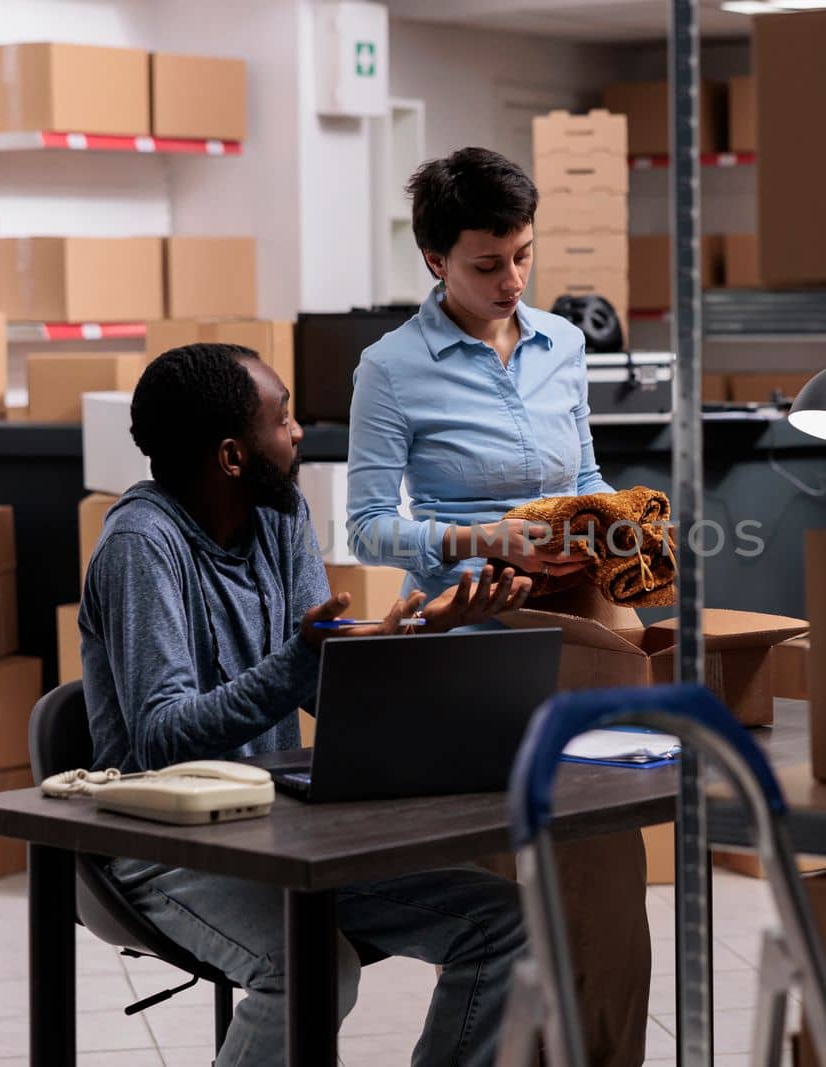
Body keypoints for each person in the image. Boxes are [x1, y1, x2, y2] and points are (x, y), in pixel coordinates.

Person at [79, 342, 535, 1067]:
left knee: (509, 923)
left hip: (279, 828)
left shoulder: (279, 512)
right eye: (283, 418)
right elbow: (162, 735)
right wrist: (303, 657)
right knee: (313, 967)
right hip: (158, 845)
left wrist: (421, 634)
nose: (298, 433)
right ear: (232, 455)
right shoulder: (142, 544)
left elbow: (323, 685)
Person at [345, 147, 652, 1066]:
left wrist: (614, 519)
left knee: (602, 873)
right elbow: (366, 528)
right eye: (488, 263)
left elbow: (584, 473)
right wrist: (485, 540)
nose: (512, 279)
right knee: (498, 906)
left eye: (523, 254)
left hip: (578, 626)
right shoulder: (390, 367)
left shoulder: (563, 344)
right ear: (436, 260)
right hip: (470, 639)